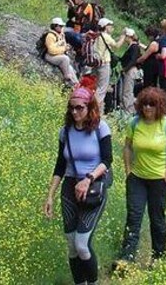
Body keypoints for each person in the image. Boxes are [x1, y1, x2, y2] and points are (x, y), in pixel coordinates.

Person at [43, 86, 112, 285]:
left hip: (93, 187)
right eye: (72, 108)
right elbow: (60, 166)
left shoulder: (101, 128)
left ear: (89, 108)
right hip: (69, 188)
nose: (75, 112)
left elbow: (107, 160)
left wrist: (88, 178)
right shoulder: (64, 132)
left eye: (80, 108)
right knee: (72, 245)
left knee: (82, 245)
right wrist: (50, 196)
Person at [118, 87, 166, 264]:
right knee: (133, 217)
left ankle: (158, 256)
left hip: (159, 180)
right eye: (144, 104)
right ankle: (127, 258)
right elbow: (128, 147)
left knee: (157, 219)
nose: (147, 108)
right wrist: (128, 171)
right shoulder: (134, 123)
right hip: (137, 178)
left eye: (152, 105)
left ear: (159, 106)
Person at [91, 18, 126, 109]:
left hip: (97, 63)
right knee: (102, 87)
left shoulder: (98, 35)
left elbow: (111, 42)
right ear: (105, 27)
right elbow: (117, 46)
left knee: (97, 85)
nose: (112, 28)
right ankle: (94, 107)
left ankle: (96, 105)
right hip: (104, 63)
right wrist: (123, 36)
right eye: (110, 26)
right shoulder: (106, 36)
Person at [44, 17, 79, 86]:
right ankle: (67, 76)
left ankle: (76, 84)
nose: (61, 27)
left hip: (57, 55)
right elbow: (51, 50)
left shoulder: (60, 34)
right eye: (60, 26)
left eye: (62, 26)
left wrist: (66, 47)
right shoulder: (50, 36)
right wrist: (64, 49)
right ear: (55, 26)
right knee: (65, 58)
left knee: (71, 68)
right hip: (50, 56)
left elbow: (63, 44)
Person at [118, 29, 142, 112]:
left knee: (127, 91)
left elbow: (133, 60)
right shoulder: (131, 46)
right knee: (126, 90)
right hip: (129, 69)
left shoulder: (134, 47)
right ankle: (126, 108)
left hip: (131, 70)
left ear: (129, 37)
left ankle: (129, 110)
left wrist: (125, 69)